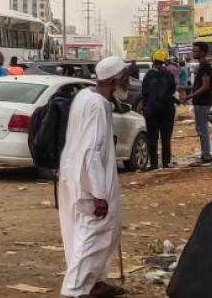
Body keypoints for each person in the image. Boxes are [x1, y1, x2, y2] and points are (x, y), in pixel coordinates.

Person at [57, 56, 128, 298]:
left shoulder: (88, 96)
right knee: (94, 233)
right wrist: (98, 193)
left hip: (76, 172)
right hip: (90, 179)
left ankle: (95, 282)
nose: (128, 81)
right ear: (114, 80)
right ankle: (75, 289)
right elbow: (91, 151)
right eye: (125, 77)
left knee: (105, 231)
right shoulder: (96, 104)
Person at [181, 42, 212, 166]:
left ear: (202, 52)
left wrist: (190, 96)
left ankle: (206, 156)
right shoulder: (202, 66)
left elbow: (205, 86)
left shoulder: (205, 66)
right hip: (200, 102)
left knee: (202, 129)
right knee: (200, 128)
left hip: (202, 102)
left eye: (195, 51)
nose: (193, 53)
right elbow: (198, 85)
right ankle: (205, 154)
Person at [142, 51, 177, 169]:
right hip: (167, 110)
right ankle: (166, 162)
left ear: (153, 61)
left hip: (151, 111)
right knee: (166, 138)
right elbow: (172, 89)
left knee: (153, 138)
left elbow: (144, 92)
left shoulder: (148, 75)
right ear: (164, 61)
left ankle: (153, 163)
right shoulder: (168, 75)